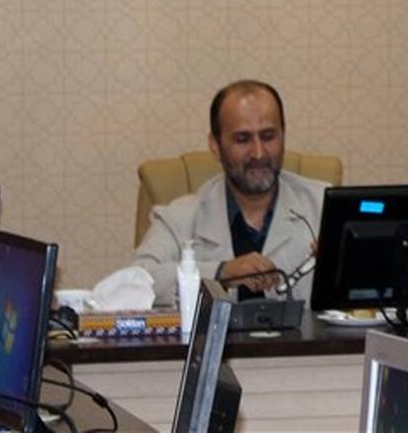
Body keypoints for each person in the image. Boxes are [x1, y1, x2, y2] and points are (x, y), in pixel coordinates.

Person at [132, 80, 328, 305]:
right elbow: (136, 282)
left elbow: (362, 292)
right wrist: (220, 272)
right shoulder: (180, 218)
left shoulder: (323, 206)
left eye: (268, 136)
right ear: (215, 146)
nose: (258, 153)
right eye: (242, 139)